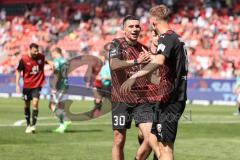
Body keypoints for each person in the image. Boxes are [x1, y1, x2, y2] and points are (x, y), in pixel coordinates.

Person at [120, 5, 188, 160]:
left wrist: (134, 77)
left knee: (165, 149)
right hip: (169, 97)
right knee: (152, 137)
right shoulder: (177, 38)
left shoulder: (166, 37)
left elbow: (159, 61)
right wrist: (152, 55)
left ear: (153, 22)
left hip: (169, 99)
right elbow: (166, 62)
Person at [109, 15, 157, 160]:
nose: (135, 29)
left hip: (141, 100)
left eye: (137, 26)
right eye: (131, 26)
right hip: (120, 98)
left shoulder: (144, 49)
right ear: (124, 29)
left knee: (150, 138)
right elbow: (114, 64)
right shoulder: (116, 44)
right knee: (119, 139)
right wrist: (137, 61)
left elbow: (150, 77)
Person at [16, 43, 46, 133]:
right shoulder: (24, 59)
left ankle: (33, 125)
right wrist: (17, 84)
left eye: (37, 51)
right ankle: (28, 124)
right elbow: (18, 71)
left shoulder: (41, 56)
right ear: (30, 49)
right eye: (34, 51)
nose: (36, 53)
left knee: (35, 103)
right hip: (27, 86)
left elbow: (44, 60)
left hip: (37, 85)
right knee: (26, 105)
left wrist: (50, 63)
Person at [49, 47, 71, 133]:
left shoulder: (57, 61)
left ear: (55, 52)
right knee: (61, 106)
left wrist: (54, 87)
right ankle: (62, 126)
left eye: (52, 53)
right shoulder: (65, 61)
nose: (51, 55)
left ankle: (66, 119)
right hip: (65, 85)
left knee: (52, 105)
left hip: (59, 86)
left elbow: (57, 74)